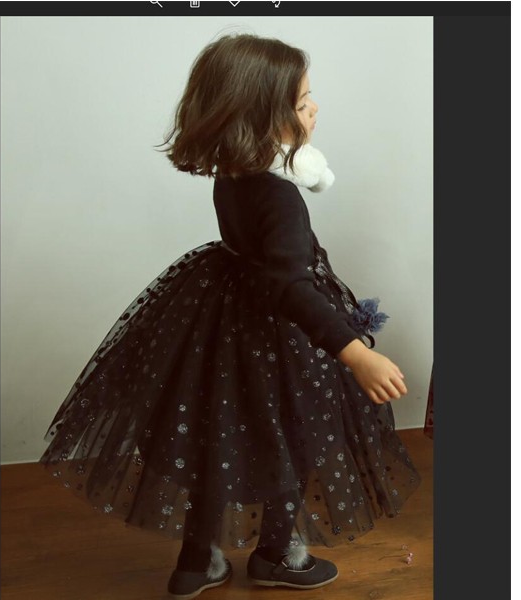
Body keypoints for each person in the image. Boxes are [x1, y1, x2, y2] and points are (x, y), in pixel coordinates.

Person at [40, 32, 421, 599]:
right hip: (276, 335)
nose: (315, 108)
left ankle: (197, 562)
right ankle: (277, 554)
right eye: (302, 102)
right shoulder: (281, 195)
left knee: (215, 440)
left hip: (221, 323)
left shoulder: (235, 170)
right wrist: (355, 353)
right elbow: (290, 288)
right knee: (292, 437)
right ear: (263, 119)